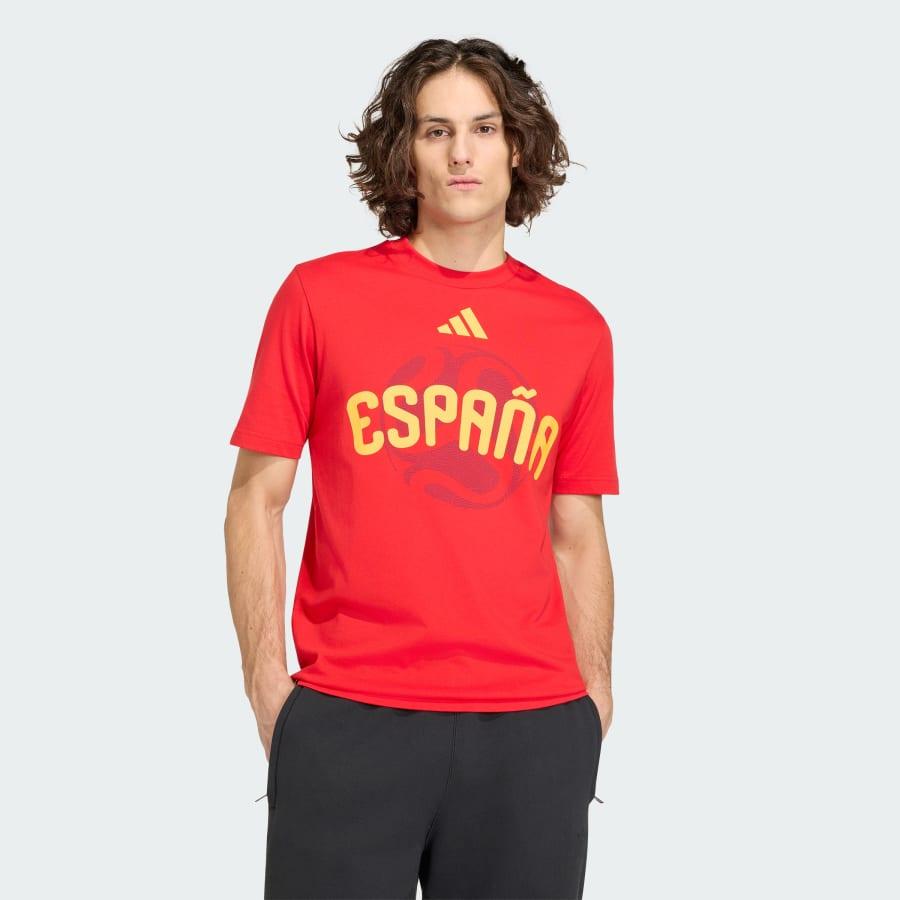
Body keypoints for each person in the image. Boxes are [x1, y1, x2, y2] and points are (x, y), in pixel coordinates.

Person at [224, 36, 619, 900]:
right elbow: (256, 499)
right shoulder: (318, 296)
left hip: (532, 727)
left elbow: (578, 530)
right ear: (405, 151)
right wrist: (267, 688)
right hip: (349, 715)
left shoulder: (576, 329)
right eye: (437, 131)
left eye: (484, 128)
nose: (462, 153)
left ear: (518, 147)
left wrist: (594, 697)